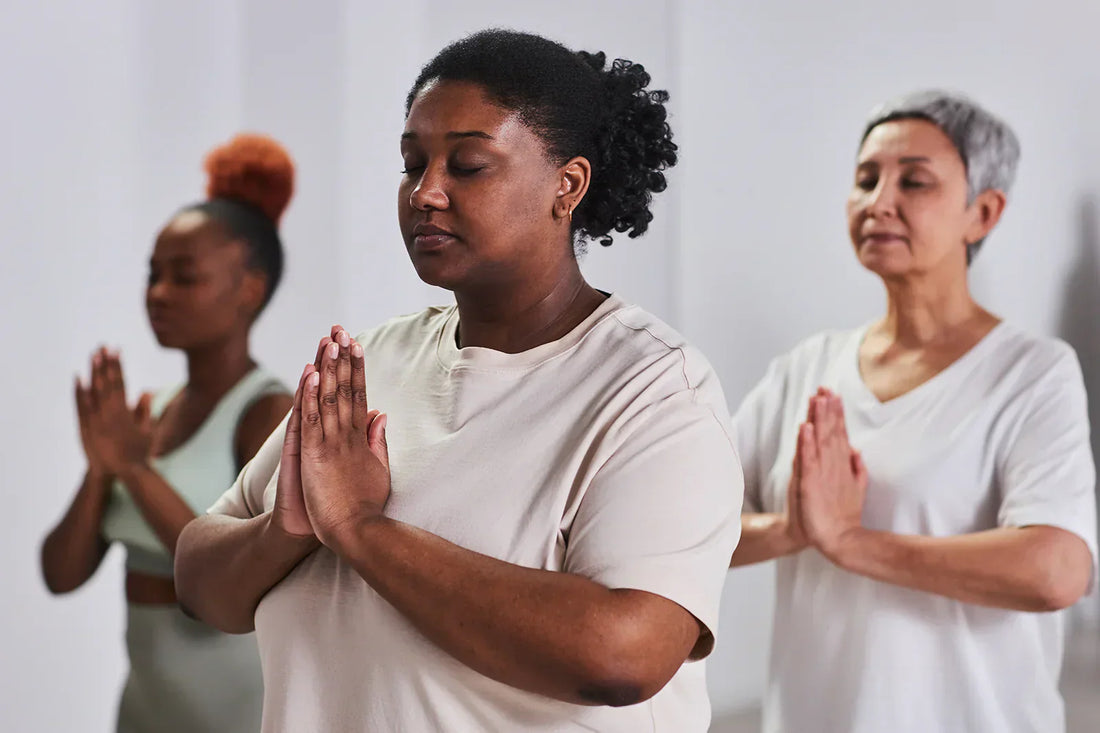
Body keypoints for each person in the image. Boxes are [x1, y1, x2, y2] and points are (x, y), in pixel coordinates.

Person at [175, 29, 742, 732]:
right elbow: (200, 581)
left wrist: (359, 529)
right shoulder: (373, 362)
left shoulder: (653, 391)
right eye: (413, 164)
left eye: (468, 164)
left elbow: (621, 656)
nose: (427, 193)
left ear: (567, 185)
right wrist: (287, 530)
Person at [730, 90, 1097, 733]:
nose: (879, 202)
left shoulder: (1032, 373)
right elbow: (685, 529)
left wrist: (849, 542)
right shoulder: (806, 369)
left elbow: (1056, 570)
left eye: (915, 181)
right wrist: (790, 530)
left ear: (981, 213)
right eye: (866, 179)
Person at [40, 134, 295, 733]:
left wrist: (134, 469)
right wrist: (103, 468)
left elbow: (229, 579)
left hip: (233, 709)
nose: (157, 294)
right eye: (152, 275)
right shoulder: (147, 415)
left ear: (248, 289)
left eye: (184, 277)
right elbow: (61, 575)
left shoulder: (269, 413)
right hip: (144, 709)